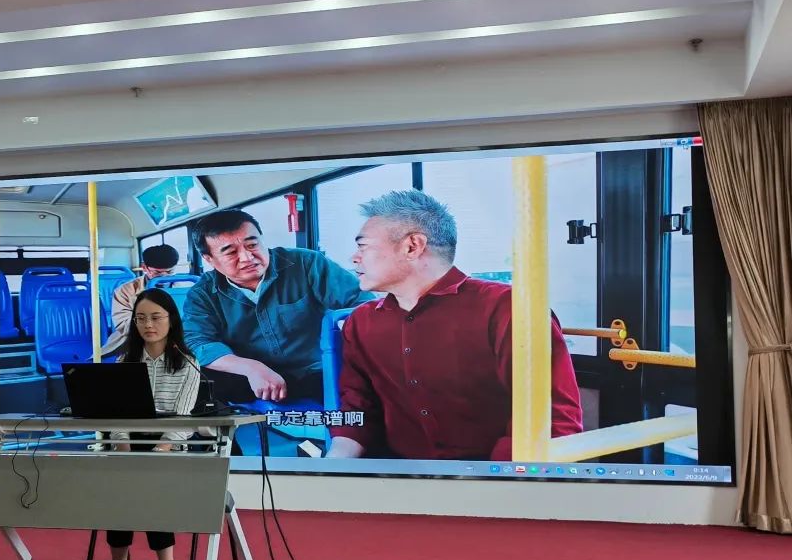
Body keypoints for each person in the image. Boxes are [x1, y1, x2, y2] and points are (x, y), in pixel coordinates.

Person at [326, 189, 583, 460]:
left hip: (495, 475)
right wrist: (335, 462)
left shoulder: (509, 309)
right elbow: (358, 407)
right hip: (399, 475)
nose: (354, 258)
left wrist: (493, 480)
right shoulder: (361, 322)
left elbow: (553, 418)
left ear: (412, 246)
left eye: (363, 246)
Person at [182, 209, 373, 404]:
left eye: (252, 245)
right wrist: (251, 368)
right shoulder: (202, 294)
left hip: (318, 370)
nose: (247, 257)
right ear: (209, 259)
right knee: (192, 379)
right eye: (231, 252)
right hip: (250, 378)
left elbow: (363, 303)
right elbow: (197, 341)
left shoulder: (306, 264)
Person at [97, 288, 200, 560]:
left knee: (152, 480)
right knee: (120, 482)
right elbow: (116, 417)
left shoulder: (188, 364)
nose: (148, 324)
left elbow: (183, 422)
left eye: (156, 317)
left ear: (171, 320)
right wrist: (123, 447)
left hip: (170, 449)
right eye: (140, 318)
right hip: (130, 445)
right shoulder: (123, 362)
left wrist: (160, 450)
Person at [100, 244, 179, 356]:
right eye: (157, 273)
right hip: (137, 339)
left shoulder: (187, 287)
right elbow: (123, 324)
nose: (165, 277)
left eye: (170, 272)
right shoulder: (125, 291)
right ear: (144, 267)